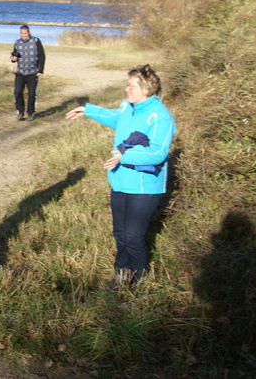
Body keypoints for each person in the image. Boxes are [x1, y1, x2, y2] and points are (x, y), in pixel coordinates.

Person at [65, 64, 175, 288]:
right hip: (120, 181)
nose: (127, 90)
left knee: (133, 236)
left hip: (145, 187)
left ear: (146, 89)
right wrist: (87, 110)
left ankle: (140, 280)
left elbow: (158, 152)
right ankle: (121, 278)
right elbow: (115, 117)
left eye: (131, 86)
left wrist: (124, 157)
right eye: (127, 85)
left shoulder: (160, 116)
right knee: (120, 234)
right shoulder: (128, 107)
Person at [10, 24, 45, 121]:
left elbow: (42, 55)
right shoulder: (17, 42)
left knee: (31, 94)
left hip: (33, 72)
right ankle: (20, 111)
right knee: (17, 93)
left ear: (29, 33)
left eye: (25, 33)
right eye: (22, 33)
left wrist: (40, 70)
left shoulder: (36, 41)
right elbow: (14, 55)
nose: (24, 35)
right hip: (20, 73)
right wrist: (13, 59)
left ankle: (31, 113)